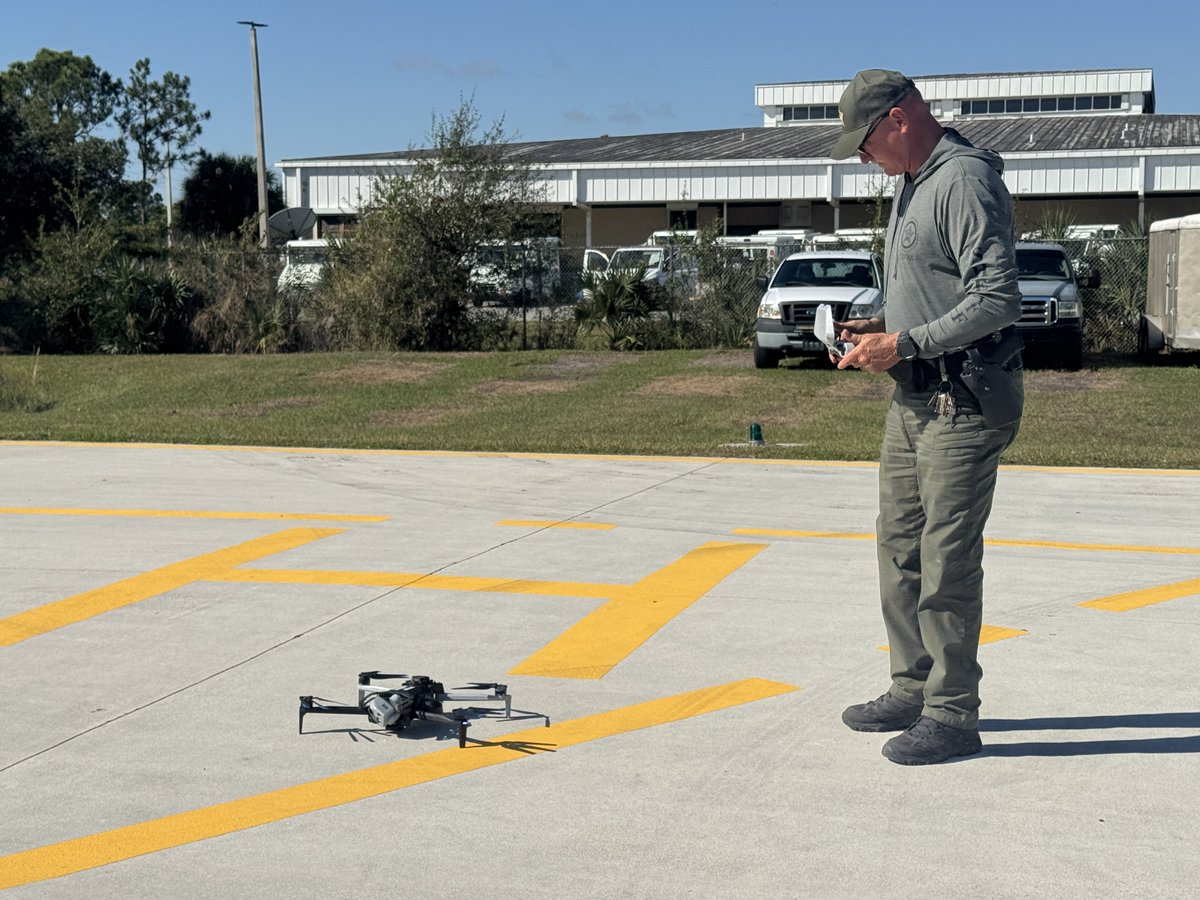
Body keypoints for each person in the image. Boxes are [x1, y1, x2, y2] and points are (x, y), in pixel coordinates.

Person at [828, 70, 1024, 765]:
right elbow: (938, 286)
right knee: (899, 551)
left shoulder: (964, 180)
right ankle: (912, 687)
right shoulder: (914, 183)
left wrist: (903, 342)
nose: (861, 158)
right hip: (913, 399)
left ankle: (952, 712)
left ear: (901, 118)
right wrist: (884, 323)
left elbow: (999, 298)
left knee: (945, 562)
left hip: (961, 402)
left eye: (865, 142)